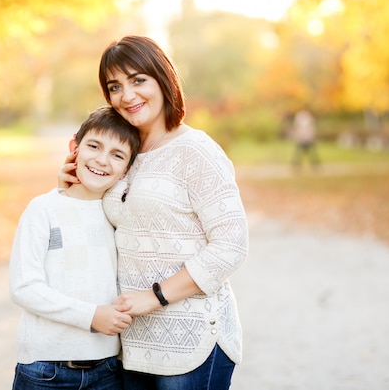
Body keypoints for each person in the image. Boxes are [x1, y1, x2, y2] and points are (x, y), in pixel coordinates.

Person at [59, 35, 249, 390]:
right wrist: (72, 187)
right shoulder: (121, 155)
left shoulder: (196, 151)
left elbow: (232, 245)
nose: (127, 95)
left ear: (163, 78)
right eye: (115, 86)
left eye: (138, 80)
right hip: (130, 346)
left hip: (190, 342)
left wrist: (155, 295)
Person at [9, 106, 141, 390]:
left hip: (106, 368)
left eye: (117, 155)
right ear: (75, 147)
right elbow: (24, 287)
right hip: (45, 369)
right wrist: (91, 316)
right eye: (94, 146)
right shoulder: (43, 209)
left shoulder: (117, 216)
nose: (102, 160)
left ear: (127, 169)